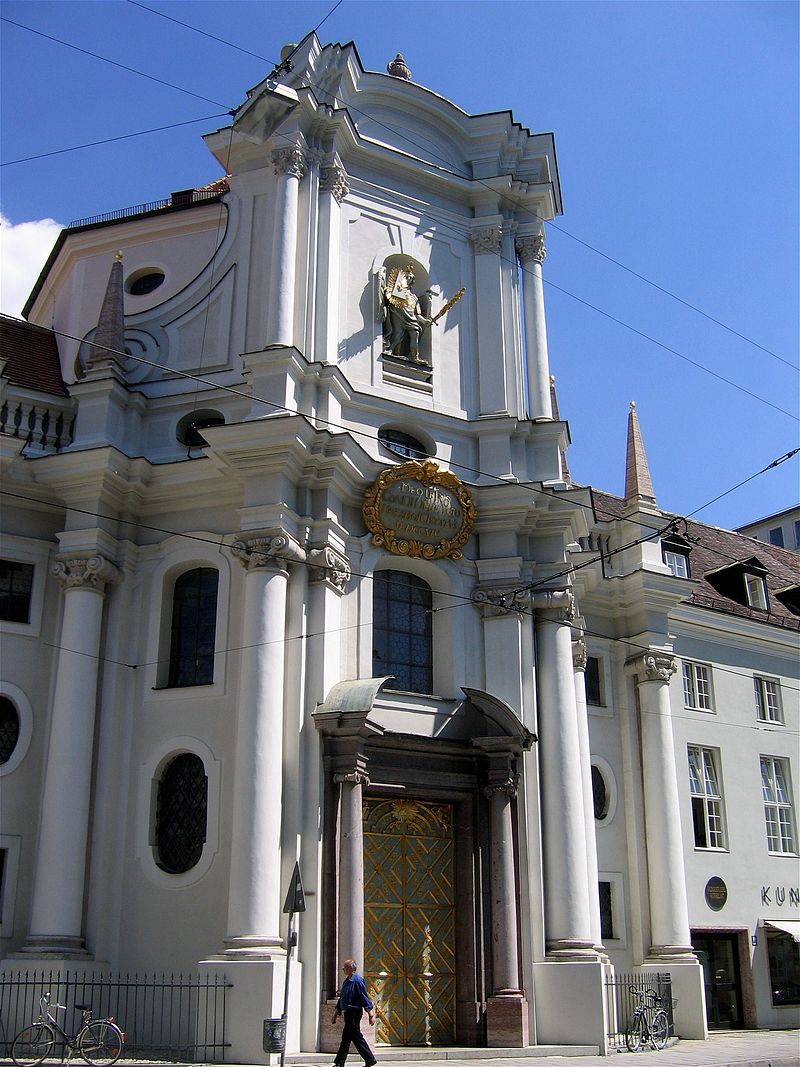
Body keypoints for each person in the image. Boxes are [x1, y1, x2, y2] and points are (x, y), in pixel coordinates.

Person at [380, 264, 432, 365]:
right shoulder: (397, 290)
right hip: (398, 315)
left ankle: (414, 357)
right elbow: (389, 299)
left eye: (410, 278)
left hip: (411, 318)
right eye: (406, 277)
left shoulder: (414, 297)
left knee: (415, 333)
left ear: (412, 281)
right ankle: (392, 351)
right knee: (398, 334)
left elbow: (417, 314)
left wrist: (424, 321)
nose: (408, 279)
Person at [331, 958, 377, 1067]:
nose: (343, 969)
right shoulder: (347, 981)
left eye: (345, 967)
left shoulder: (357, 981)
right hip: (348, 1013)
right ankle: (341, 1062)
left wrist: (370, 1014)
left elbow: (363, 997)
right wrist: (336, 1013)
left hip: (354, 1013)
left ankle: (341, 1062)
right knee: (348, 1038)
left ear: (351, 968)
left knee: (354, 1037)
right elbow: (342, 998)